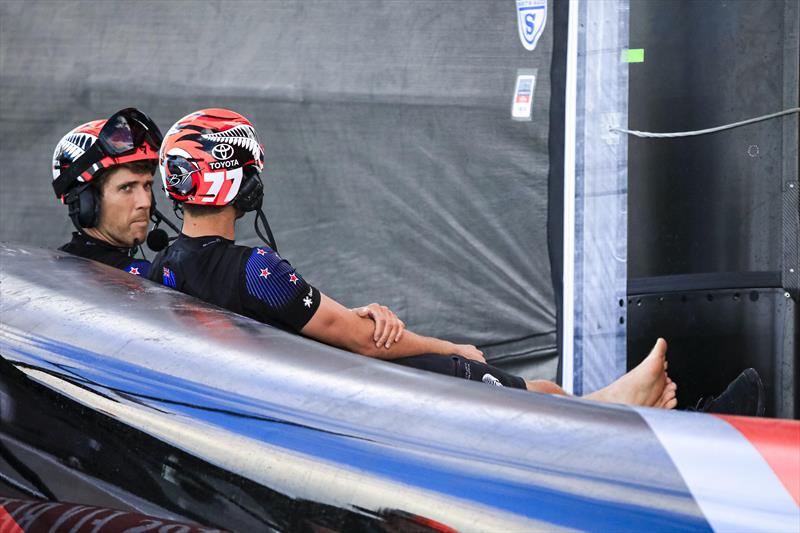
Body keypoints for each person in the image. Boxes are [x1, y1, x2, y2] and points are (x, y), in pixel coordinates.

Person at [149, 108, 677, 409]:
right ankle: (615, 410)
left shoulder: (164, 267)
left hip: (282, 390)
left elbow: (327, 322)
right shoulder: (256, 270)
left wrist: (362, 316)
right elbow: (361, 341)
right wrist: (458, 349)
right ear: (240, 182)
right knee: (500, 383)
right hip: (326, 393)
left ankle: (619, 405)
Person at [51, 108, 166, 276]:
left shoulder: (52, 270)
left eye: (147, 186)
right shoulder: (142, 280)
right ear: (85, 202)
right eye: (126, 188)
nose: (145, 203)